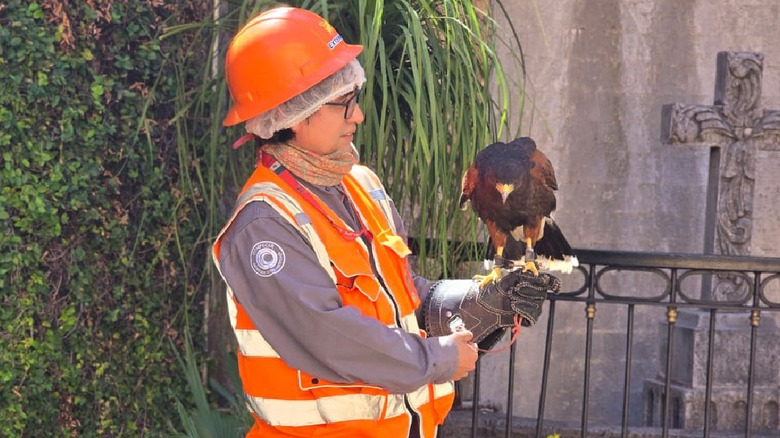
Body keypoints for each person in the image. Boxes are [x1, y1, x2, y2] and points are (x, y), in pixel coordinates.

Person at [212, 7, 560, 438]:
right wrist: (437, 359)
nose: (357, 116)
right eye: (344, 103)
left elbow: (404, 296)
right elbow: (327, 335)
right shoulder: (263, 224)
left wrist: (480, 299)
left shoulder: (360, 185)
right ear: (293, 115)